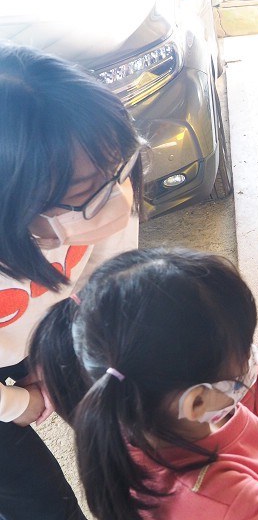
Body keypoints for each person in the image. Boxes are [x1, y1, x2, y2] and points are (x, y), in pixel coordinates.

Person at [28, 248, 258, 520]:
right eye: (244, 357)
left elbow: (250, 389)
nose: (252, 361)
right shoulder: (219, 503)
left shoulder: (145, 412)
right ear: (197, 402)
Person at [0, 42, 144, 519]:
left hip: (38, 333)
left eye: (119, 169)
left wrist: (52, 345)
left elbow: (106, 275)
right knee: (38, 502)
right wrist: (18, 402)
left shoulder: (103, 181)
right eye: (85, 196)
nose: (118, 202)